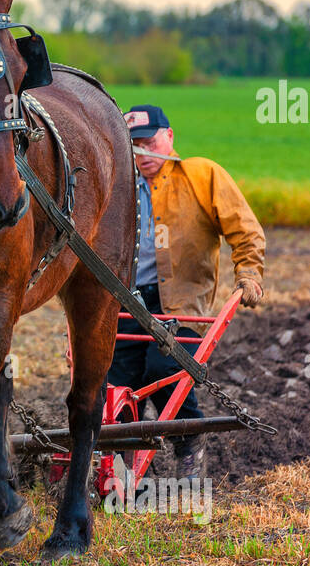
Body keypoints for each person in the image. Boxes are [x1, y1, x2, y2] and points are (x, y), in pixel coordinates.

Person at [107, 104, 266, 479]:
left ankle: (189, 444)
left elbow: (245, 229)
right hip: (126, 299)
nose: (142, 153)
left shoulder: (202, 174)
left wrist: (248, 273)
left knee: (165, 372)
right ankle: (124, 465)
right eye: (134, 146)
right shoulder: (117, 185)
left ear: (170, 137)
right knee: (116, 385)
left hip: (181, 301)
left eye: (149, 142)